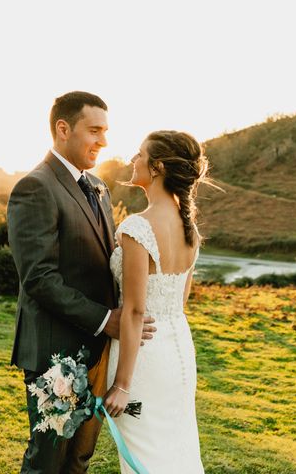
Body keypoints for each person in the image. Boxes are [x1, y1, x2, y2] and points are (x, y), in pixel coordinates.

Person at [6, 91, 156, 474]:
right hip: (55, 352)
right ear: (62, 129)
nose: (104, 141)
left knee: (79, 461)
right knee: (47, 461)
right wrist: (109, 319)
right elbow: (39, 278)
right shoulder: (35, 187)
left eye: (105, 131)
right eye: (94, 131)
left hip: (99, 353)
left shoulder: (98, 188)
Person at [104, 130, 207, 473]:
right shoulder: (188, 228)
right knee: (175, 450)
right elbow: (181, 300)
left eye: (139, 154)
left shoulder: (138, 227)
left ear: (158, 166)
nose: (133, 160)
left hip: (143, 359)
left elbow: (134, 311)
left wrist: (121, 385)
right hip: (178, 355)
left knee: (144, 458)